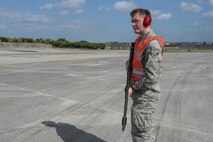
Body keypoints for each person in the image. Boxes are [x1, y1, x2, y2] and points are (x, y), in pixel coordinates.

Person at [127, 8, 165, 142]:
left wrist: (134, 88)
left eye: (136, 21)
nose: (132, 24)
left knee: (142, 134)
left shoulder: (152, 44)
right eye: (131, 21)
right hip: (140, 95)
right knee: (139, 131)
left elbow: (152, 77)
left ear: (147, 21)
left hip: (146, 95)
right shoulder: (139, 41)